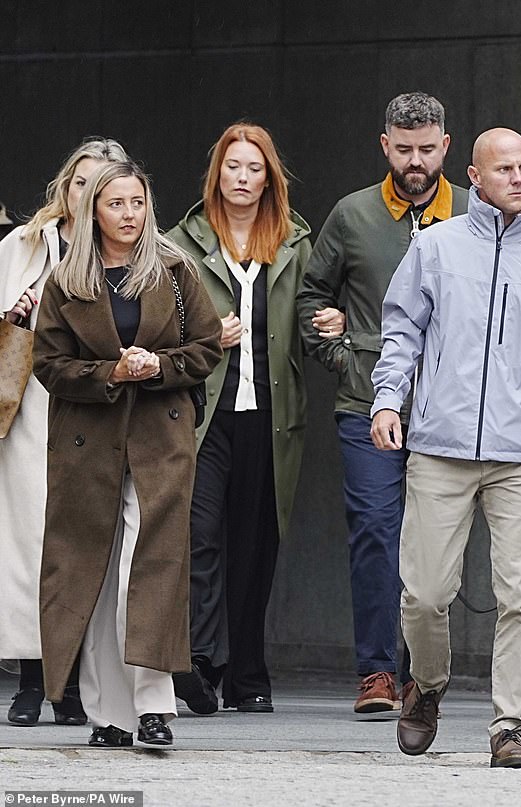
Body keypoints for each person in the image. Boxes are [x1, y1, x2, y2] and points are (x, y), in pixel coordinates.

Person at [370, 128, 521, 768]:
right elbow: (402, 331)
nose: (519, 178)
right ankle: (428, 685)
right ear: (474, 176)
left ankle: (509, 724)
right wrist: (388, 399)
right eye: (504, 168)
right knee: (421, 593)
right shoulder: (436, 245)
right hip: (440, 444)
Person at [32, 161, 223, 748]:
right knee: (93, 570)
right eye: (117, 204)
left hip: (159, 439)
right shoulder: (67, 280)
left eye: (138, 203)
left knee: (151, 568)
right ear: (93, 210)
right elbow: (48, 364)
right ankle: (109, 715)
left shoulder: (173, 269)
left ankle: (154, 708)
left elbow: (208, 345)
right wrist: (109, 371)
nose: (130, 215)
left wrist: (158, 367)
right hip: (87, 441)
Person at [296, 92, 468, 713]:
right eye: (403, 150)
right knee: (374, 530)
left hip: (450, 409)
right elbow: (310, 298)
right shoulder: (353, 215)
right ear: (384, 146)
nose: (415, 162)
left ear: (447, 146)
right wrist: (343, 359)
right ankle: (376, 673)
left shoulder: (476, 215)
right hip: (366, 404)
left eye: (426, 150)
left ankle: (421, 672)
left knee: (430, 543)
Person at [168, 123, 342, 714]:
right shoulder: (180, 243)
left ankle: (247, 672)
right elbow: (155, 323)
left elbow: (314, 304)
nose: (242, 179)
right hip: (203, 414)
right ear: (216, 173)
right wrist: (204, 337)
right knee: (201, 537)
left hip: (271, 415)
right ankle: (198, 661)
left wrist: (334, 325)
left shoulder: (294, 242)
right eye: (232, 167)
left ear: (270, 178)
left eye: (254, 169)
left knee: (257, 544)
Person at [0, 138, 128, 727]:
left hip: (95, 409)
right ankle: (31, 680)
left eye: (101, 184)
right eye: (80, 181)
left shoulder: (130, 255)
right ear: (65, 187)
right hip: (29, 412)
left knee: (83, 542)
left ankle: (74, 683)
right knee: (30, 545)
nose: (88, 194)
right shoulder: (20, 247)